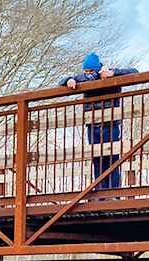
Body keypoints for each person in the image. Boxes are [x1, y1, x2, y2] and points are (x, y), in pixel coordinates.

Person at [59, 53, 138, 196]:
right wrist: (69, 80)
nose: (88, 74)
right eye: (86, 72)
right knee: (97, 158)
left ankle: (113, 193)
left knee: (112, 157)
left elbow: (134, 73)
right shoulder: (82, 78)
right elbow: (61, 81)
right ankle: (100, 193)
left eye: (91, 71)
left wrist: (113, 73)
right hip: (92, 124)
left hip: (110, 123)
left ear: (97, 69)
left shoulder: (109, 74)